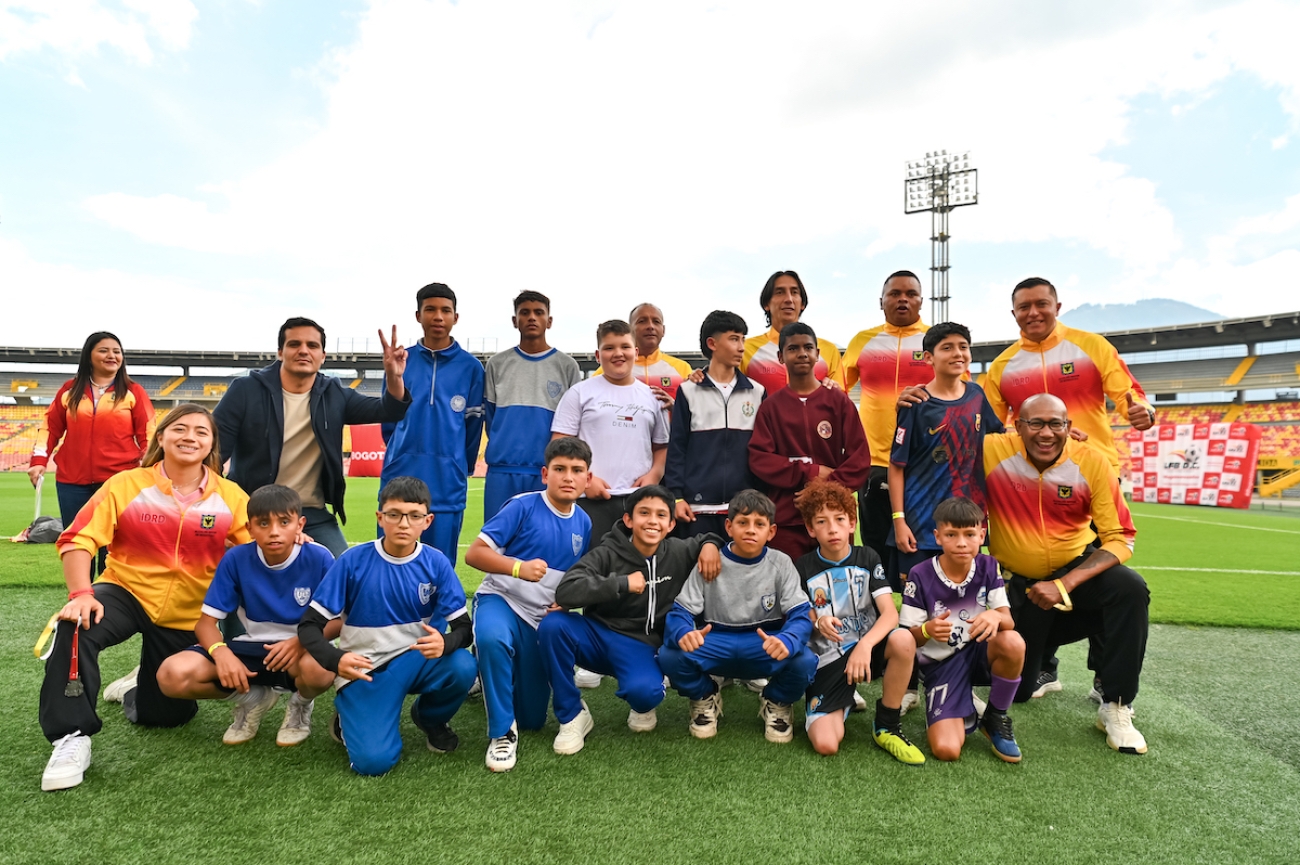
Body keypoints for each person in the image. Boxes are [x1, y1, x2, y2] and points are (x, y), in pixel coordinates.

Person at [38, 404, 251, 792]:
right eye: (180, 429)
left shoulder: (232, 497)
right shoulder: (126, 485)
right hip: (125, 591)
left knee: (166, 716)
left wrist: (293, 541)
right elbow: (77, 539)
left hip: (187, 612)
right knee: (75, 624)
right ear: (162, 437)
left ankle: (138, 686)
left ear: (212, 445)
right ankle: (71, 736)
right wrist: (81, 593)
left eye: (201, 432)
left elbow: (258, 549)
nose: (190, 437)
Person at [982, 393, 1150, 755]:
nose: (1046, 433)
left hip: (1072, 577)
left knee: (1129, 589)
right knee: (1019, 691)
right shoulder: (993, 450)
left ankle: (1116, 704)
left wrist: (1064, 584)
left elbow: (1121, 538)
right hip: (1019, 588)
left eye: (1055, 424)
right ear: (1018, 426)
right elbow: (951, 419)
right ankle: (1037, 663)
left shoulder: (1091, 461)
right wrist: (914, 400)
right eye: (1036, 423)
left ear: (1069, 427)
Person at [297, 477, 477, 776]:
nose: (404, 523)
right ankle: (348, 717)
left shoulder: (436, 562)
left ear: (427, 521)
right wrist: (335, 660)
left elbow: (464, 629)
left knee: (462, 665)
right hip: (367, 669)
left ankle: (430, 718)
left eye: (414, 516)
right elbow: (308, 626)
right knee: (374, 763)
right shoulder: (353, 561)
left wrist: (446, 643)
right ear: (380, 517)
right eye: (394, 514)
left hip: (416, 659)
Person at [540, 485, 721, 754]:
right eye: (644, 513)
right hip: (598, 636)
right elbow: (566, 591)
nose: (652, 521)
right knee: (553, 626)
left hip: (641, 645)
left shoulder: (678, 551)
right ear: (628, 519)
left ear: (671, 524)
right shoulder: (607, 552)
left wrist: (709, 545)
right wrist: (622, 583)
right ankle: (572, 715)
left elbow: (710, 537)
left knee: (645, 695)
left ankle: (641, 696)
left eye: (661, 515)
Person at [155, 485, 337, 747]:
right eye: (263, 523)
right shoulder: (236, 559)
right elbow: (205, 624)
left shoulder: (318, 557)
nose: (274, 531)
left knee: (321, 669)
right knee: (172, 675)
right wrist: (221, 652)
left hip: (301, 648)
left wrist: (301, 642)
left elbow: (338, 620)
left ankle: (300, 704)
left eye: (284, 522)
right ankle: (253, 699)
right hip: (252, 646)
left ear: (300, 525)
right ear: (249, 528)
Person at [214, 317, 410, 557]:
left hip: (311, 512)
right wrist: (219, 510)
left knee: (343, 572)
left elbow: (389, 410)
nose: (304, 350)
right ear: (280, 352)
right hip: (252, 509)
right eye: (294, 344)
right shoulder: (245, 391)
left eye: (312, 345)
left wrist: (394, 377)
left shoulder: (334, 394)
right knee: (240, 570)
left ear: (323, 356)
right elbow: (214, 454)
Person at [463, 437, 593, 772]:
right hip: (502, 601)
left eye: (577, 470)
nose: (568, 477)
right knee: (493, 638)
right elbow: (474, 554)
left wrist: (565, 602)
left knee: (533, 719)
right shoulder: (522, 506)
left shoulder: (584, 522)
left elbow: (573, 578)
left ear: (588, 479)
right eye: (560, 469)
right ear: (545, 474)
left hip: (539, 619)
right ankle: (502, 734)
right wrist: (518, 568)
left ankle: (490, 673)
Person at [660, 489, 818, 744]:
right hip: (716, 641)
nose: (751, 530)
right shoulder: (711, 561)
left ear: (771, 531)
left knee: (804, 660)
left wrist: (787, 639)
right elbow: (680, 612)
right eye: (743, 522)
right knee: (670, 655)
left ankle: (776, 701)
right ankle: (704, 696)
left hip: (763, 643)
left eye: (759, 524)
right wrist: (684, 632)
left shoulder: (781, 563)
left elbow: (800, 614)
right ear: (729, 527)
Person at [794, 479, 923, 764]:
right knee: (826, 744)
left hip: (868, 649)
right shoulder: (803, 566)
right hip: (830, 657)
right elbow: (802, 612)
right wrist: (818, 623)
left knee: (903, 639)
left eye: (839, 519)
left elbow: (889, 613)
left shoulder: (867, 557)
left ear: (852, 523)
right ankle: (843, 698)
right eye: (822, 521)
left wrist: (865, 645)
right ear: (811, 529)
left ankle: (887, 725)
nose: (832, 529)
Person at [899, 496, 1025, 763]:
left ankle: (995, 716)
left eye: (969, 534)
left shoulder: (988, 565)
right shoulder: (920, 574)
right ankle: (952, 701)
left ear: (981, 535)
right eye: (951, 534)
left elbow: (1008, 621)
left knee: (1013, 641)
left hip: (978, 651)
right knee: (946, 750)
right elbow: (907, 639)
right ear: (937, 537)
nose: (961, 543)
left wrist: (994, 615)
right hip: (942, 663)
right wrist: (927, 630)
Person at [29, 331, 155, 577]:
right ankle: (81, 594)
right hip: (71, 481)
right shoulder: (69, 390)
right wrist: (38, 460)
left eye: (117, 351)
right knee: (78, 542)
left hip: (119, 481)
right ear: (89, 356)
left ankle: (109, 595)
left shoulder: (133, 392)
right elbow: (50, 428)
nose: (112, 356)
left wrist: (150, 465)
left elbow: (149, 433)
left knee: (114, 547)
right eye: (104, 350)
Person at [888, 322, 1003, 588]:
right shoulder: (915, 403)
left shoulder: (976, 395)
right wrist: (899, 521)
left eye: (963, 347)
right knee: (919, 602)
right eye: (947, 348)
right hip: (921, 525)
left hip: (967, 525)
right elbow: (896, 466)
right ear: (929, 357)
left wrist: (1061, 434)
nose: (958, 353)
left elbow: (1003, 436)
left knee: (969, 598)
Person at [381, 283, 485, 565]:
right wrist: (401, 454)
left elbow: (472, 429)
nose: (438, 316)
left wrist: (458, 466)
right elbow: (388, 423)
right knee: (392, 563)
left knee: (439, 566)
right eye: (430, 309)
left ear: (455, 317)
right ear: (418, 315)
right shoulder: (401, 361)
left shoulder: (472, 368)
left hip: (447, 483)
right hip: (399, 477)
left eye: (445, 310)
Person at [748, 323, 871, 561]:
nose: (802, 353)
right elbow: (759, 459)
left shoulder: (838, 401)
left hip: (832, 517)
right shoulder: (771, 407)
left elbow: (860, 458)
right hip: (787, 519)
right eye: (793, 348)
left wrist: (823, 488)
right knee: (789, 581)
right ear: (781, 357)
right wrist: (810, 472)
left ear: (817, 354)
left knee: (834, 580)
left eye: (808, 347)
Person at [551, 319, 670, 544]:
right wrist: (586, 481)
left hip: (639, 502)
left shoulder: (652, 397)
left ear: (636, 352)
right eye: (609, 348)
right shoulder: (579, 393)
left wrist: (654, 475)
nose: (618, 353)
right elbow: (559, 446)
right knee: (591, 563)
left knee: (636, 565)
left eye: (625, 347)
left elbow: (661, 447)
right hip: (590, 501)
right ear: (598, 355)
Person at [841, 271, 931, 565]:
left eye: (910, 294)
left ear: (921, 301)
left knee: (922, 547)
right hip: (873, 462)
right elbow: (837, 390)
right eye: (895, 294)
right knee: (875, 549)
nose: (903, 299)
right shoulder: (862, 341)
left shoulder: (934, 341)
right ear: (881, 301)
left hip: (922, 463)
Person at [481, 291, 582, 521]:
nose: (532, 318)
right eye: (524, 313)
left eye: (539, 312)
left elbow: (573, 423)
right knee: (499, 537)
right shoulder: (497, 364)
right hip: (502, 470)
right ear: (515, 320)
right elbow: (491, 418)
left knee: (543, 536)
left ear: (549, 321)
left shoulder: (567, 366)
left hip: (547, 471)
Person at [665, 310, 765, 539]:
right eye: (734, 339)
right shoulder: (688, 390)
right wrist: (677, 497)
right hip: (697, 509)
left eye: (743, 339)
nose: (742, 347)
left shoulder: (757, 392)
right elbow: (677, 447)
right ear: (712, 343)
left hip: (744, 509)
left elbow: (763, 451)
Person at [741, 270, 845, 395]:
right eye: (780, 292)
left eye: (794, 292)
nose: (789, 299)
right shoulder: (744, 350)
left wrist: (833, 390)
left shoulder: (829, 351)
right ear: (766, 304)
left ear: (802, 304)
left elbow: (842, 399)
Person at [596, 303, 693, 405]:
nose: (650, 326)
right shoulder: (604, 372)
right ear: (630, 329)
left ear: (663, 330)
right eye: (642, 321)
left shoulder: (683, 369)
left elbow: (693, 409)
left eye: (656, 321)